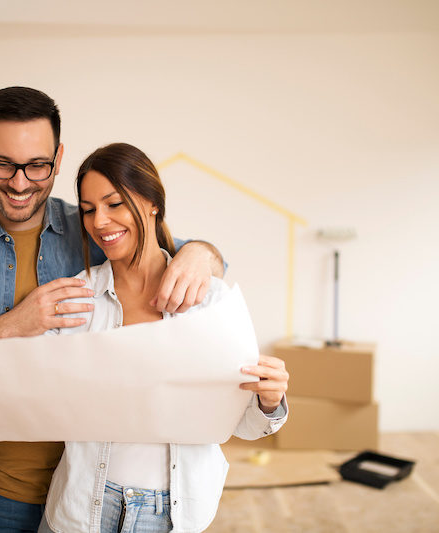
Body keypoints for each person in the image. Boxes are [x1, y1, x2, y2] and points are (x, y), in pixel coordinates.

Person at [0, 87, 225, 533]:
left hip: (84, 497)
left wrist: (202, 252)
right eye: (3, 163)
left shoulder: (93, 226)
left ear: (58, 157)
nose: (20, 182)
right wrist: (13, 326)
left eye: (37, 165)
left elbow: (176, 256)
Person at [38, 143, 289, 533]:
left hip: (171, 516)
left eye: (114, 204)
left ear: (152, 202)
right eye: (88, 210)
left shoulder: (213, 301)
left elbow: (241, 425)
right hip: (81, 509)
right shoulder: (75, 300)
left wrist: (269, 400)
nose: (100, 221)